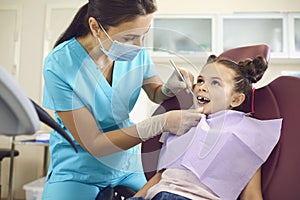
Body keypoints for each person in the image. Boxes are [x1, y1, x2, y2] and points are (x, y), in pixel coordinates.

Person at [41, 0, 203, 199]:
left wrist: (168, 89)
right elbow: (95, 144)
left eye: (144, 34)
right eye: (129, 37)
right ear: (95, 27)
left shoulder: (136, 52)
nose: (139, 46)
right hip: (78, 168)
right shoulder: (60, 64)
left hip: (127, 162)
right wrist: (161, 123)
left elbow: (155, 92)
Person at [129, 55, 282, 200]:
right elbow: (162, 175)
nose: (202, 87)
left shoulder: (243, 135)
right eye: (201, 80)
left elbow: (251, 195)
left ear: (236, 99)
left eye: (215, 83)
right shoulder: (182, 124)